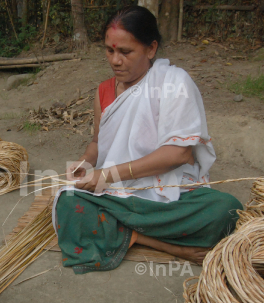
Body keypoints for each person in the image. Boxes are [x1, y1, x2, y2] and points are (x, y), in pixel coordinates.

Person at [53, 6, 243, 274]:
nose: (115, 60)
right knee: (68, 201)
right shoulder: (104, 91)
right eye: (109, 50)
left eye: (125, 52)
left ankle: (121, 230)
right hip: (116, 192)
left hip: (170, 191)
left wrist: (106, 174)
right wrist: (85, 163)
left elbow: (179, 154)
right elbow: (97, 143)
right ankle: (159, 242)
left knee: (227, 211)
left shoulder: (173, 82)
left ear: (151, 49)